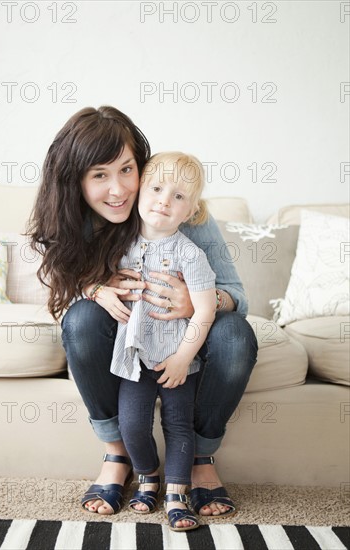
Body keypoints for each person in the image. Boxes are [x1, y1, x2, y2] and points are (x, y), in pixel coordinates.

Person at [27, 106, 258, 518]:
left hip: (183, 335)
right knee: (80, 322)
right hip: (129, 344)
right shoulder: (73, 221)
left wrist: (196, 300)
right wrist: (93, 286)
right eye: (100, 175)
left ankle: (200, 459)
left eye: (127, 169)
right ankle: (117, 454)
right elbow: (64, 281)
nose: (118, 189)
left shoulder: (176, 210)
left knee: (238, 334)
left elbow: (237, 293)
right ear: (76, 180)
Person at [111, 152, 216, 531]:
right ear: (139, 191)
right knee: (132, 425)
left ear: (190, 211)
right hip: (135, 360)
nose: (164, 201)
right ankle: (147, 476)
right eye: (157, 189)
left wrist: (183, 357)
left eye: (178, 197)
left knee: (178, 426)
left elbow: (204, 311)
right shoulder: (119, 243)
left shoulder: (190, 253)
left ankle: (177, 492)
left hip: (176, 360)